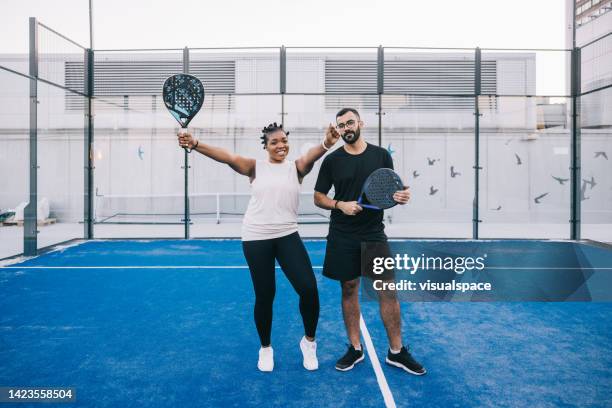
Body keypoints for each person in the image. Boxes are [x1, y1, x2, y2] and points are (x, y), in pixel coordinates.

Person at [178, 122, 340, 372]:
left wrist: (327, 142)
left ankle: (309, 342)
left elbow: (312, 156)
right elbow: (227, 157)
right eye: (274, 142)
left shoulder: (296, 168)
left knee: (308, 289)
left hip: (287, 234)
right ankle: (266, 348)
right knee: (265, 295)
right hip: (255, 237)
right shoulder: (255, 167)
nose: (280, 145)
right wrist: (196, 144)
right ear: (266, 146)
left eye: (284, 140)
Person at [314, 108, 426, 375]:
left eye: (350, 122)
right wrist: (340, 204)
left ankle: (396, 352)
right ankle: (355, 348)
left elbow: (389, 192)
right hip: (342, 235)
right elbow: (318, 197)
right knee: (349, 289)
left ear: (360, 123)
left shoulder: (381, 155)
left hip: (374, 234)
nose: (346, 128)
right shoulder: (332, 160)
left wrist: (400, 198)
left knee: (387, 291)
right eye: (341, 126)